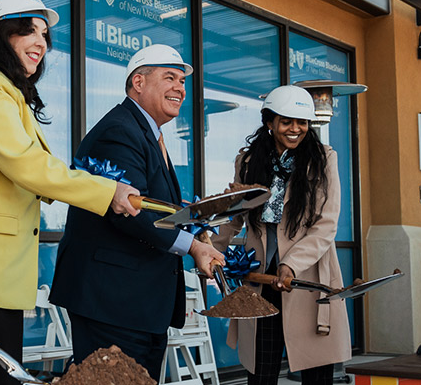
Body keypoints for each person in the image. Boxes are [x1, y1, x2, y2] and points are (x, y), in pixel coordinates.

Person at [0, 0, 141, 385]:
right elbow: (26, 165)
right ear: (2, 35)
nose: (42, 43)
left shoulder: (6, 89)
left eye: (45, 35)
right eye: (29, 31)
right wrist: (105, 192)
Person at [49, 44, 226, 380]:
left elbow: (156, 206)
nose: (180, 87)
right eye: (169, 77)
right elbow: (130, 211)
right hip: (113, 305)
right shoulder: (119, 131)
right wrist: (193, 246)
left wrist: (196, 221)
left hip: (136, 305)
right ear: (138, 83)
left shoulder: (144, 132)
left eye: (182, 81)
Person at [212, 85, 350, 385]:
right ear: (270, 122)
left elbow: (327, 224)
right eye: (286, 121)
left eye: (302, 122)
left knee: (316, 373)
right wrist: (210, 249)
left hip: (307, 277)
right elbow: (235, 213)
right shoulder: (248, 162)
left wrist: (291, 264)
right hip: (260, 277)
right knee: (261, 372)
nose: (295, 129)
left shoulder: (323, 158)